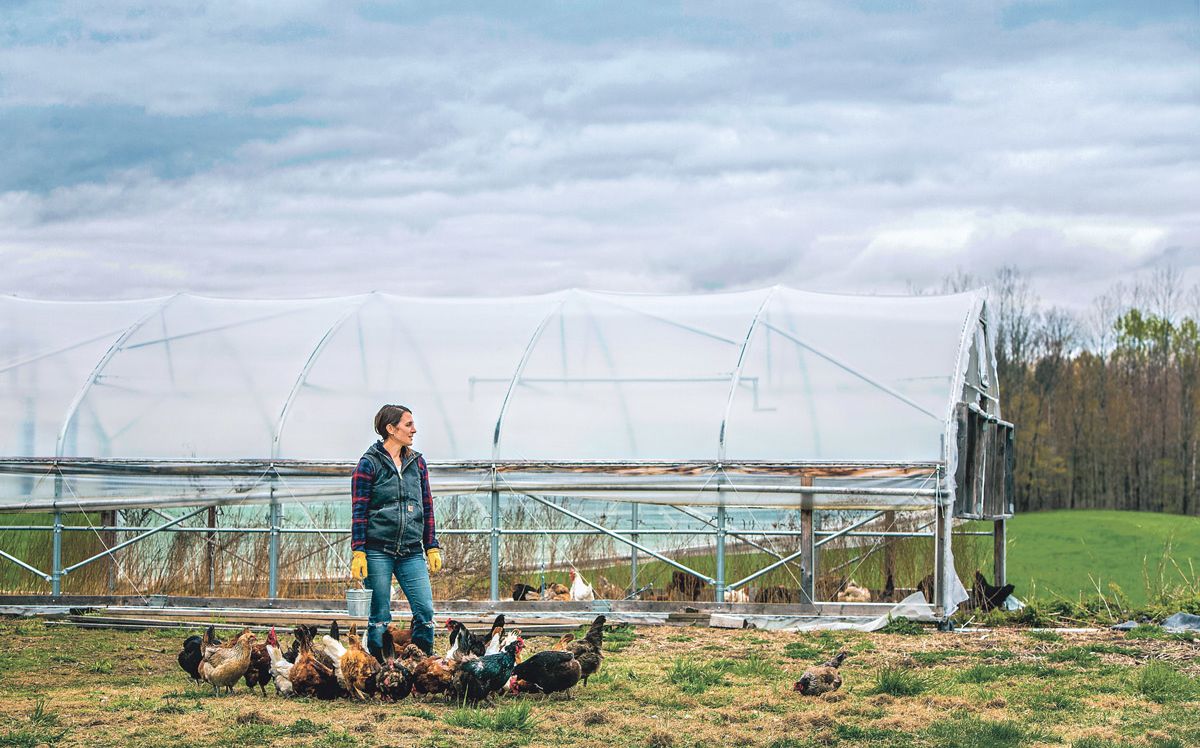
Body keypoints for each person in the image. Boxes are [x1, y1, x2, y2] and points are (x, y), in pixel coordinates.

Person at [350, 404, 442, 658]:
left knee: (424, 611)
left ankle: (422, 664)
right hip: (379, 550)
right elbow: (359, 511)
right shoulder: (368, 465)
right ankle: (379, 669)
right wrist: (359, 551)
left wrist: (431, 545)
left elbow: (426, 506)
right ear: (390, 429)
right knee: (380, 615)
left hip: (411, 551)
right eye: (408, 424)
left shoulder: (417, 463)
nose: (414, 429)